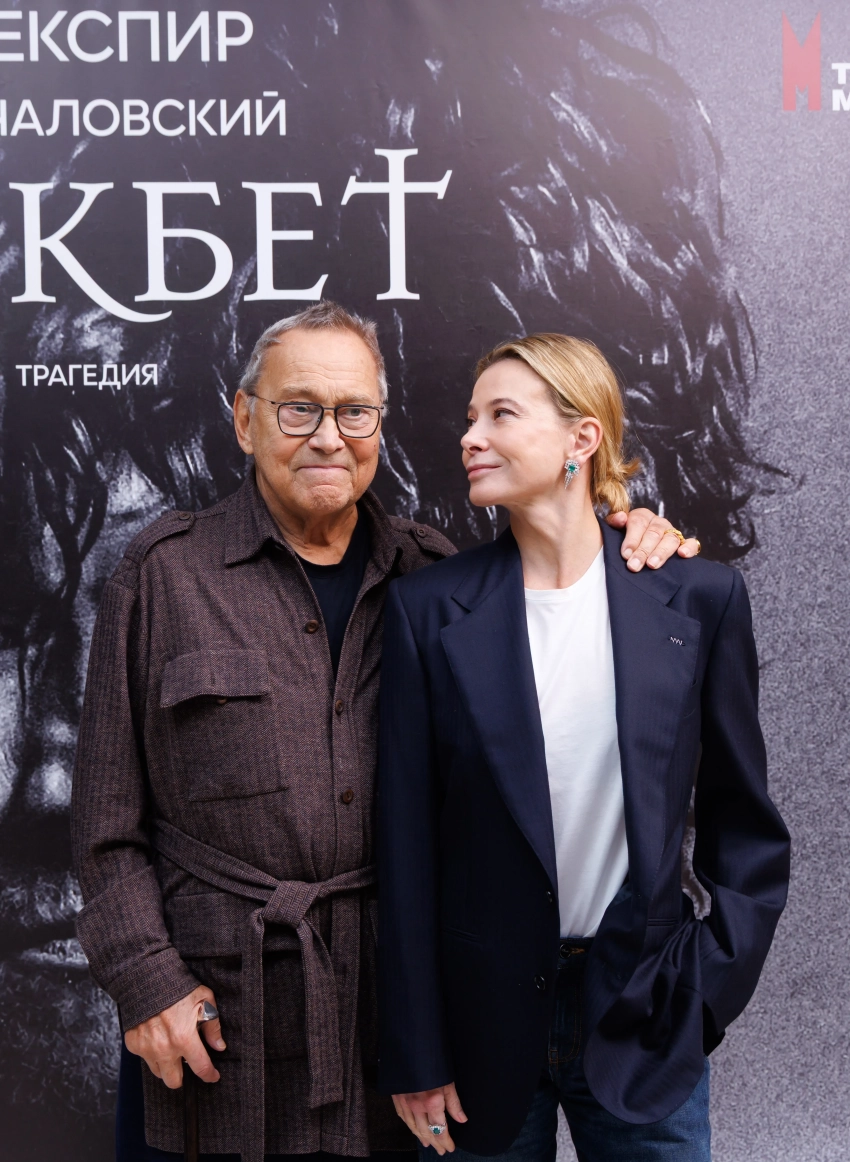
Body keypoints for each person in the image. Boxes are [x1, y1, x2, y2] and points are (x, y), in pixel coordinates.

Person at [70, 304, 693, 1162]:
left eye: (354, 412)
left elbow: (567, 568)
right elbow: (104, 829)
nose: (329, 437)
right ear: (245, 419)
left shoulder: (436, 578)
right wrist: (146, 982)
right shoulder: (161, 575)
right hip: (214, 1023)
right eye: (299, 409)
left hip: (394, 1030)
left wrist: (633, 529)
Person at [376, 334, 791, 1161]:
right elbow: (405, 851)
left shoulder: (698, 597)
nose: (470, 437)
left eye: (501, 415)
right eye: (470, 418)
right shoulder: (427, 609)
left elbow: (745, 826)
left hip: (643, 1011)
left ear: (582, 437)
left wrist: (702, 992)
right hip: (477, 1027)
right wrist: (417, 1052)